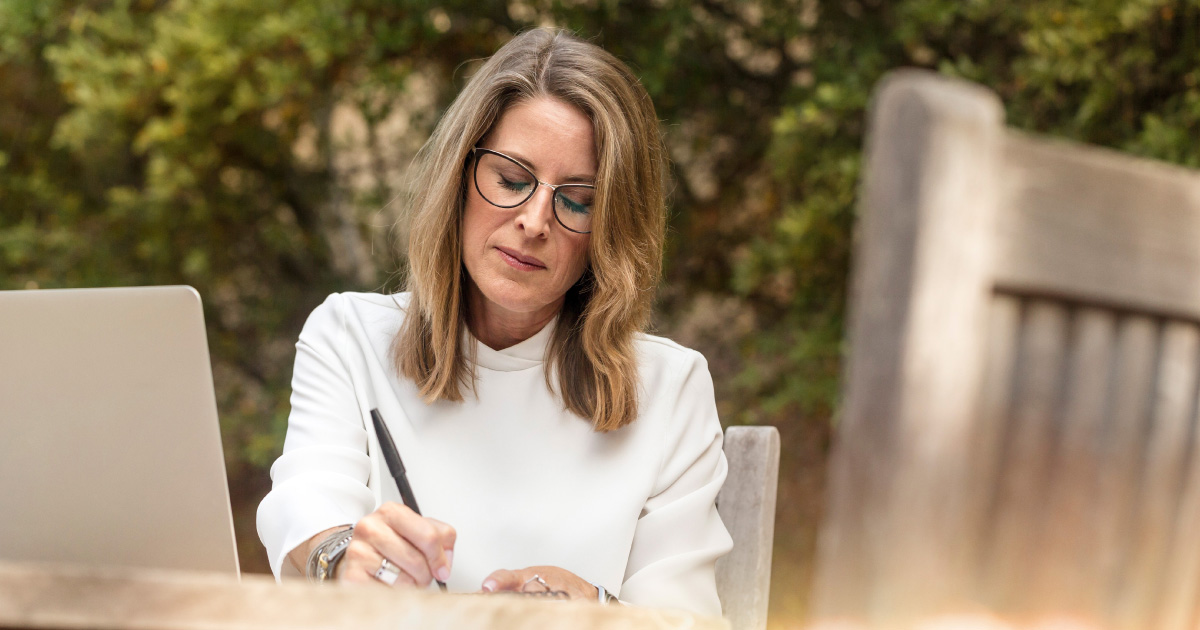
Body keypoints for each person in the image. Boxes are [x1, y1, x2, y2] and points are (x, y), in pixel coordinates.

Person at [256, 27, 733, 616]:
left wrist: (600, 611)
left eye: (577, 200)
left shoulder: (670, 388)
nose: (535, 221)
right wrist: (341, 556)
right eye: (511, 180)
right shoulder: (351, 337)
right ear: (460, 175)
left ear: (611, 229)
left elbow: (686, 618)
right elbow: (309, 502)